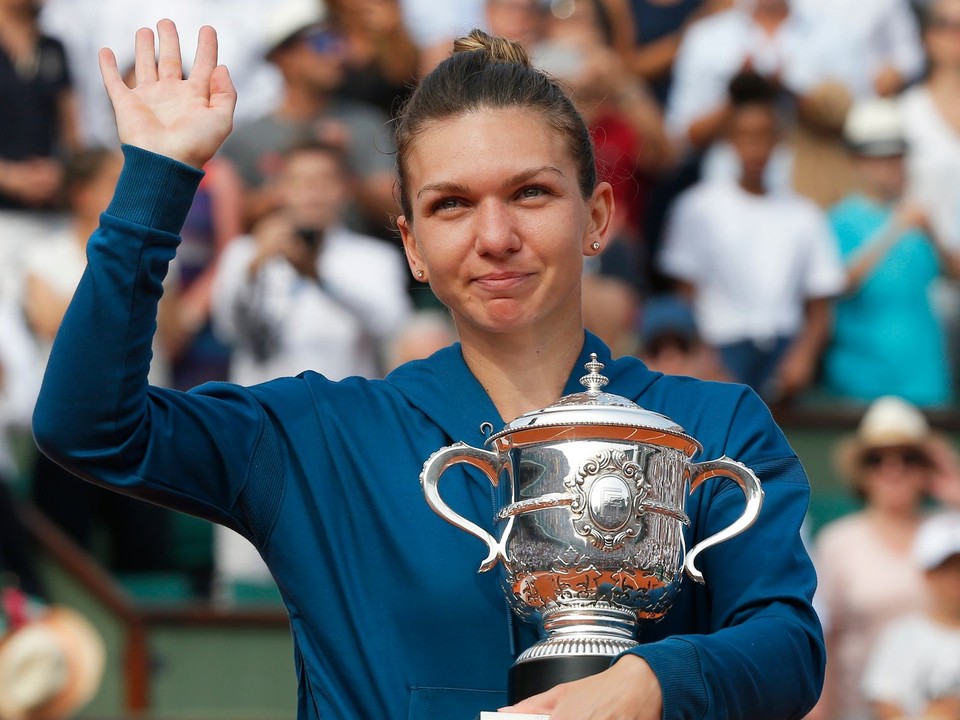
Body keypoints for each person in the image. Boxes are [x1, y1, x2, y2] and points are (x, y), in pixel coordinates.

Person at [32, 20, 825, 719]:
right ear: (410, 245)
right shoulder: (316, 438)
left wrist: (658, 682)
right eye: (451, 205)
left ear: (596, 218)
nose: (495, 235)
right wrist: (156, 183)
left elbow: (788, 645)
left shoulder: (714, 427)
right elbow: (89, 428)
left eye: (531, 193)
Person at [657, 72, 845, 402]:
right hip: (720, 345)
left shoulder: (804, 214)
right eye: (745, 136)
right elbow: (684, 295)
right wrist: (705, 359)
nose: (755, 148)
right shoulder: (697, 207)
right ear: (730, 141)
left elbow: (819, 307)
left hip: (784, 348)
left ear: (778, 141)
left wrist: (802, 358)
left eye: (763, 136)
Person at [810, 396, 960, 720]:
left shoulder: (951, 532)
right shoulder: (838, 541)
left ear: (926, 469)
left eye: (908, 458)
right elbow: (824, 637)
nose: (893, 469)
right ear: (862, 473)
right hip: (857, 710)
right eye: (877, 459)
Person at [821, 98, 958, 407]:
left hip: (927, 382)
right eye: (879, 159)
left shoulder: (921, 215)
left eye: (897, 157)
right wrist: (894, 229)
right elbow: (840, 284)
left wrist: (933, 233)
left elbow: (954, 274)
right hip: (860, 383)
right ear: (856, 161)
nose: (890, 168)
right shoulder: (839, 219)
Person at [860, 511, 960, 719]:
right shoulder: (901, 635)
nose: (955, 578)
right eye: (947, 568)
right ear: (928, 574)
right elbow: (886, 708)